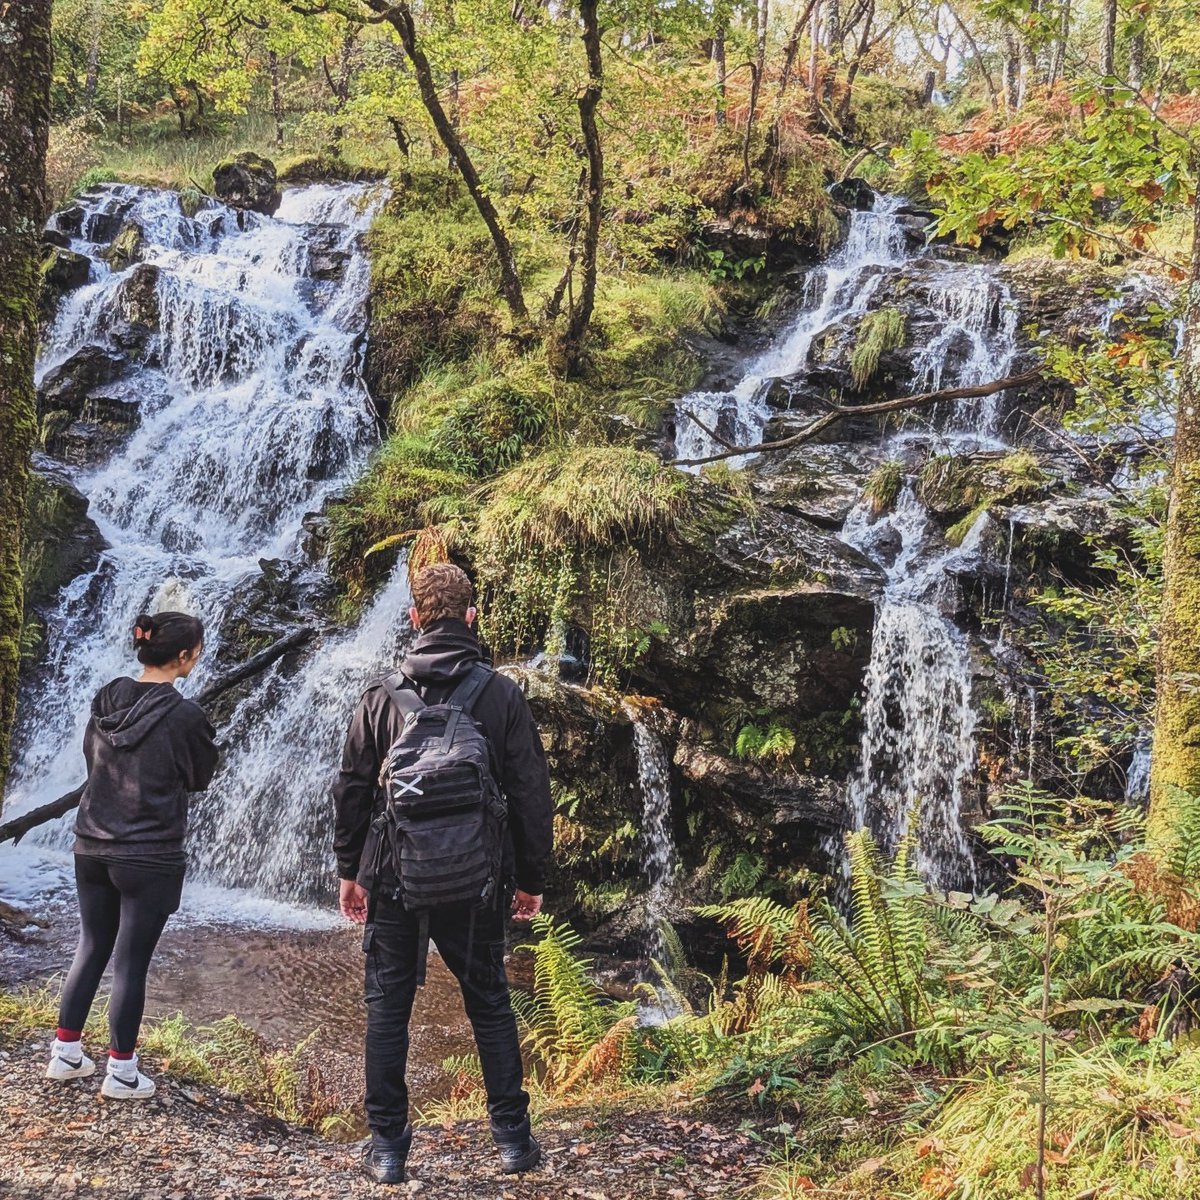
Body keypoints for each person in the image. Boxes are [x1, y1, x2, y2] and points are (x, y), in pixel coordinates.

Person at [334, 562, 553, 1185]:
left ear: (414, 619)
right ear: (471, 618)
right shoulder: (501, 695)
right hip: (477, 878)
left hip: (394, 877)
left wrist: (350, 871)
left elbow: (351, 790)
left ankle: (387, 1149)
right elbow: (530, 793)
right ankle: (513, 1141)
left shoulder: (381, 698)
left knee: (388, 1009)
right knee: (489, 1000)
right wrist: (531, 878)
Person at [46, 611, 218, 1099]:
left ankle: (65, 1053)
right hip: (149, 853)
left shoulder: (107, 698)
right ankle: (121, 1072)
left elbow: (93, 759)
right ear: (183, 656)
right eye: (196, 651)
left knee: (91, 945)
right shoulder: (185, 716)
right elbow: (200, 776)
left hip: (91, 843)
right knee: (130, 962)